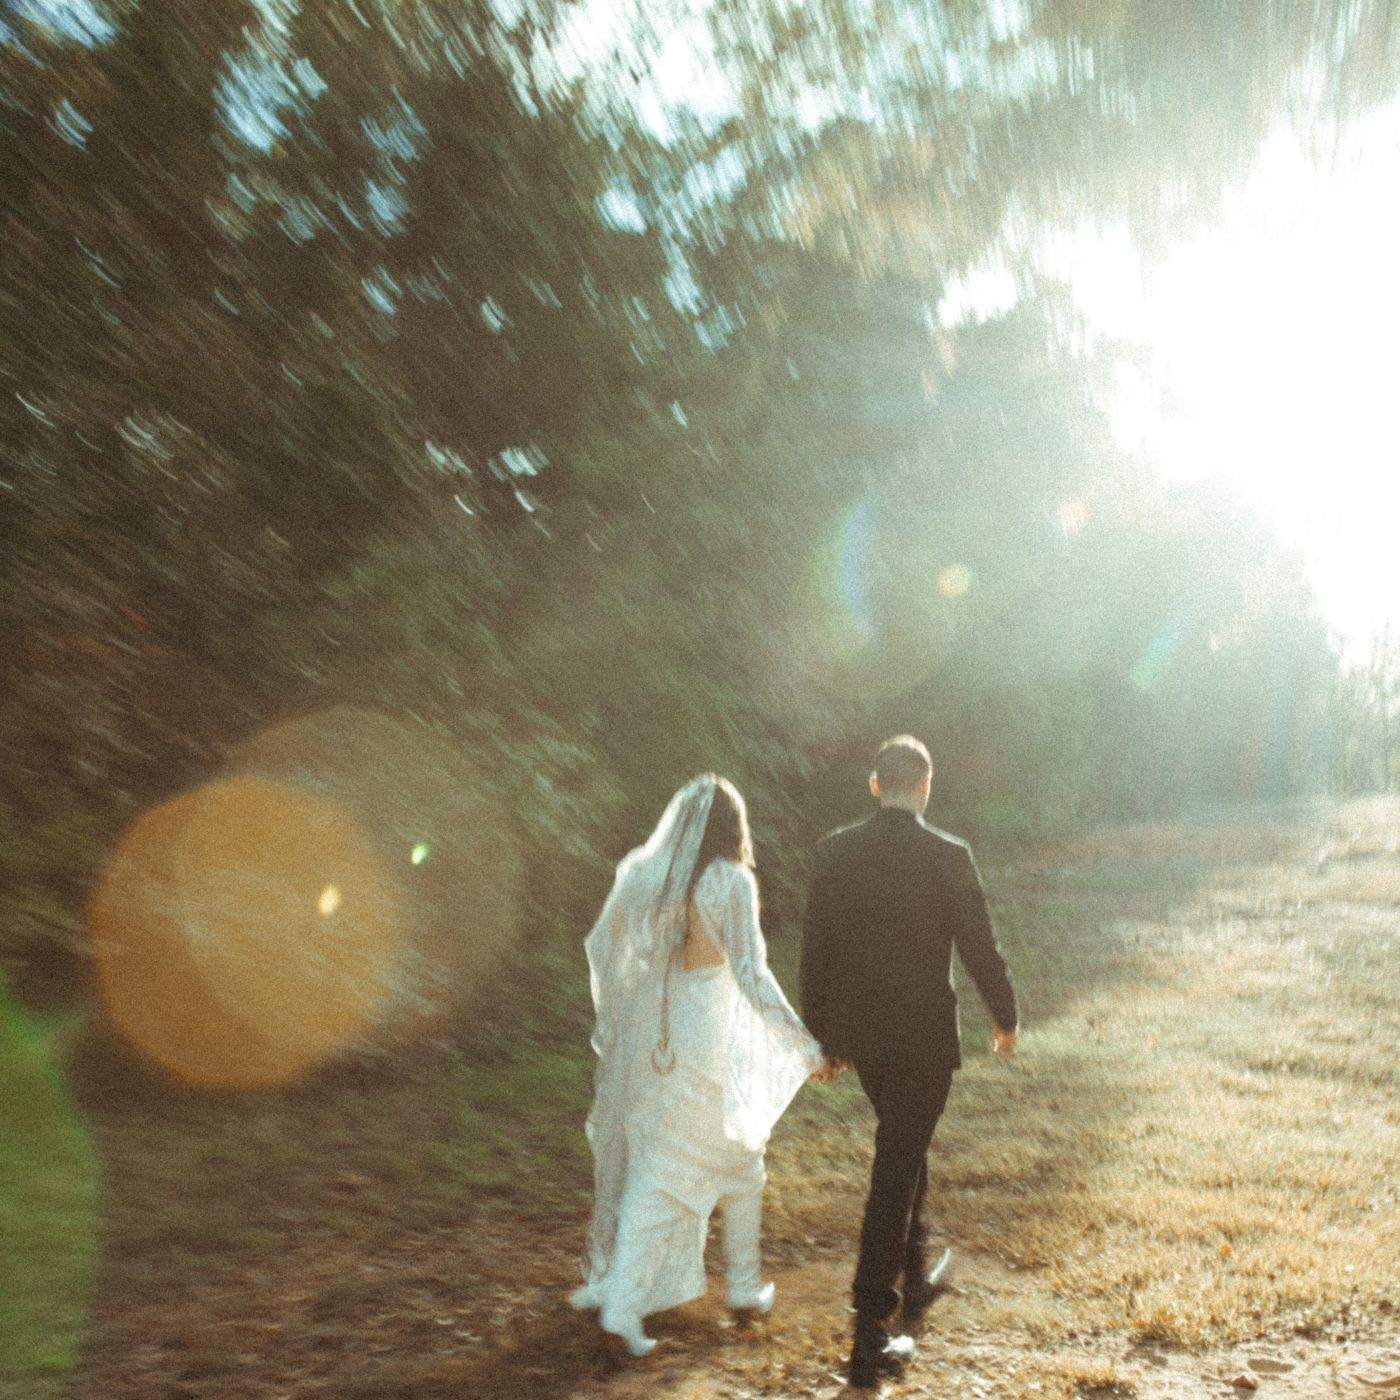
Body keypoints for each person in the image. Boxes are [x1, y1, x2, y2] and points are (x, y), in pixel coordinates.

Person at [571, 774, 834, 1356]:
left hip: (662, 1034)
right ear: (733, 827)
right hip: (710, 1036)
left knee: (714, 1165)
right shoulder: (731, 882)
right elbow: (751, 971)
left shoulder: (654, 877)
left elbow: (616, 951)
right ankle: (633, 1308)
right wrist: (803, 1046)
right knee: (702, 1169)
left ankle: (736, 1288)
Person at [799, 735, 1019, 1390]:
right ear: (925, 788)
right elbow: (981, 945)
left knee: (903, 1142)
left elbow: (817, 950)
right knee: (896, 1165)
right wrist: (1005, 1015)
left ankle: (916, 1277)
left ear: (875, 785)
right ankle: (869, 1332)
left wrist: (821, 1036)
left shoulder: (834, 852)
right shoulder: (950, 856)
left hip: (866, 1040)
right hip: (923, 1041)